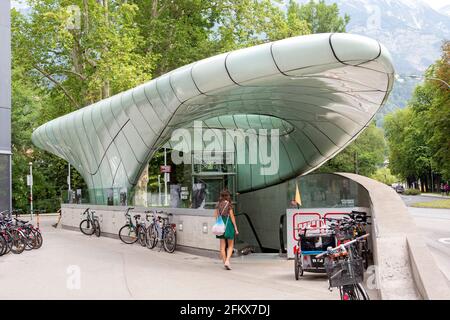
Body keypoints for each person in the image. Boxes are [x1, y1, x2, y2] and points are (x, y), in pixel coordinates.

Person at [214, 189, 239, 270]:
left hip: (221, 225)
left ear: (221, 196)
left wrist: (218, 224)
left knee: (222, 246)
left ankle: (225, 262)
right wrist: (235, 227)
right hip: (228, 225)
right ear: (228, 196)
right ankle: (227, 261)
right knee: (230, 245)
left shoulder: (218, 205)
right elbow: (232, 217)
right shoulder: (229, 205)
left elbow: (216, 216)